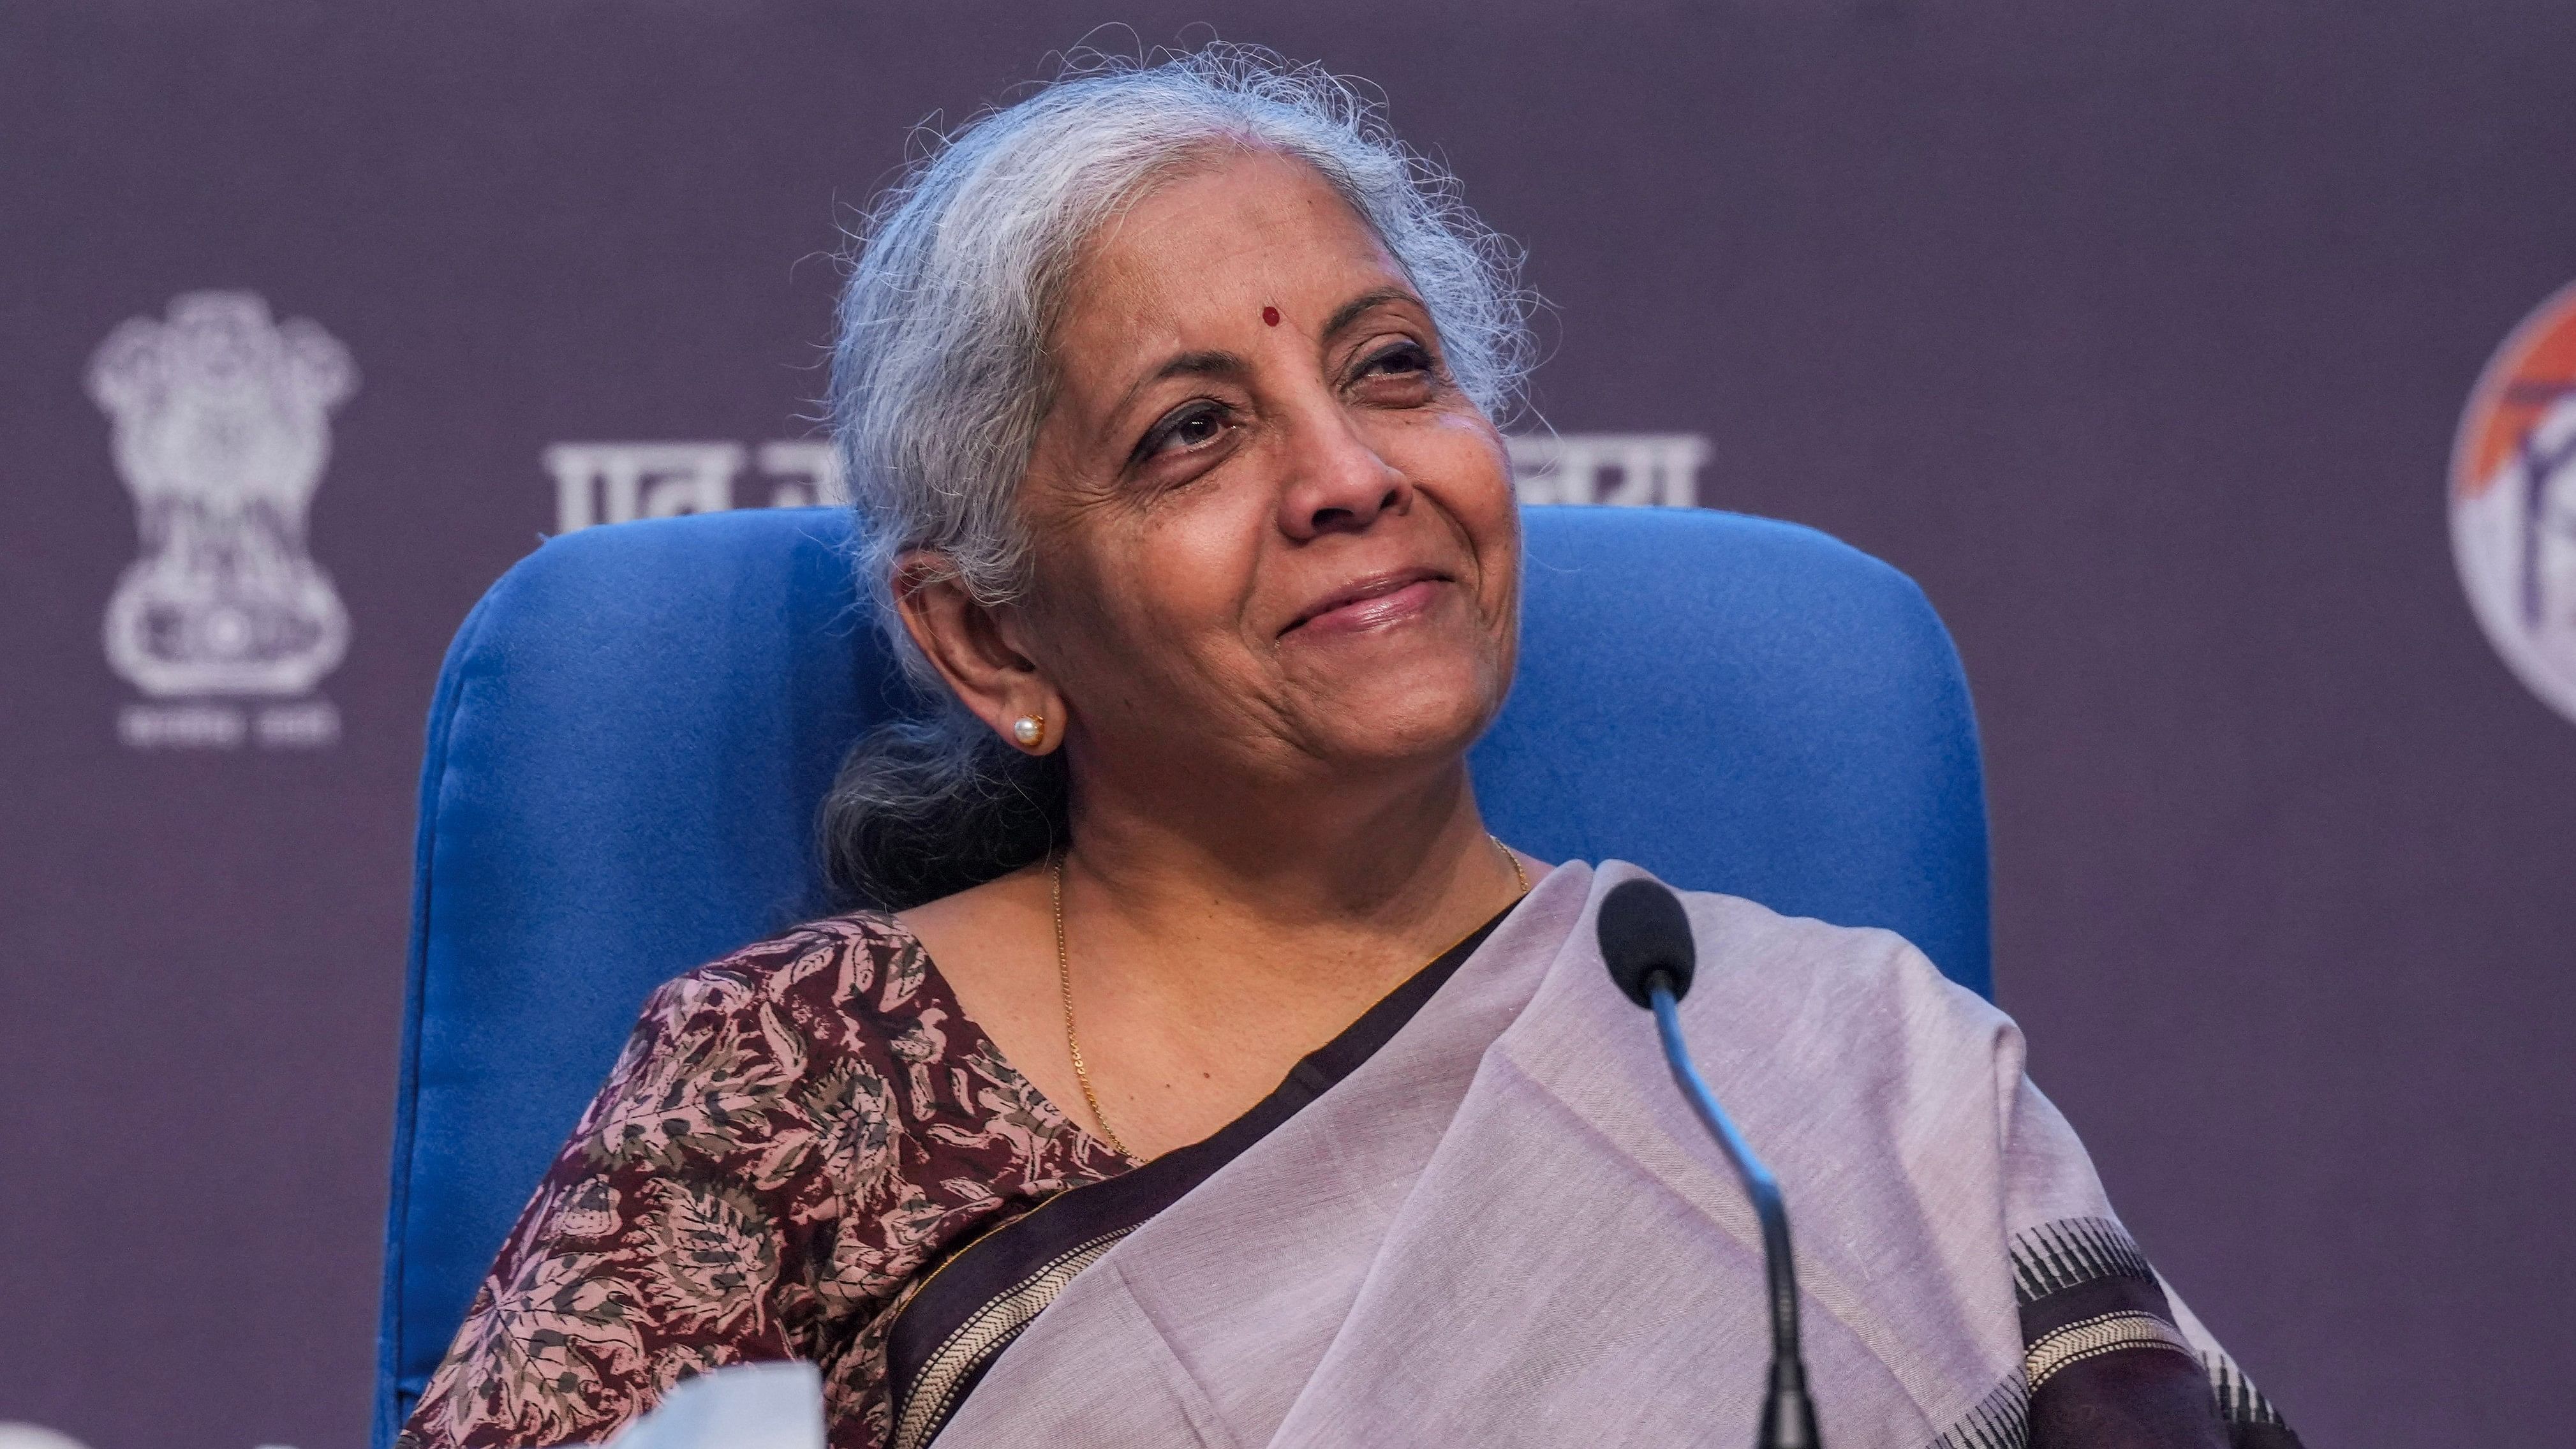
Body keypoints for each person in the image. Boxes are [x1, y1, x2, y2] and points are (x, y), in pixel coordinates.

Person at [398, 46, 2302, 1449]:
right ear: (986, 636)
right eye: (1191, 435)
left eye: (1391, 367)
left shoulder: (1846, 1072)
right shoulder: (794, 1083)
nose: (1351, 475)